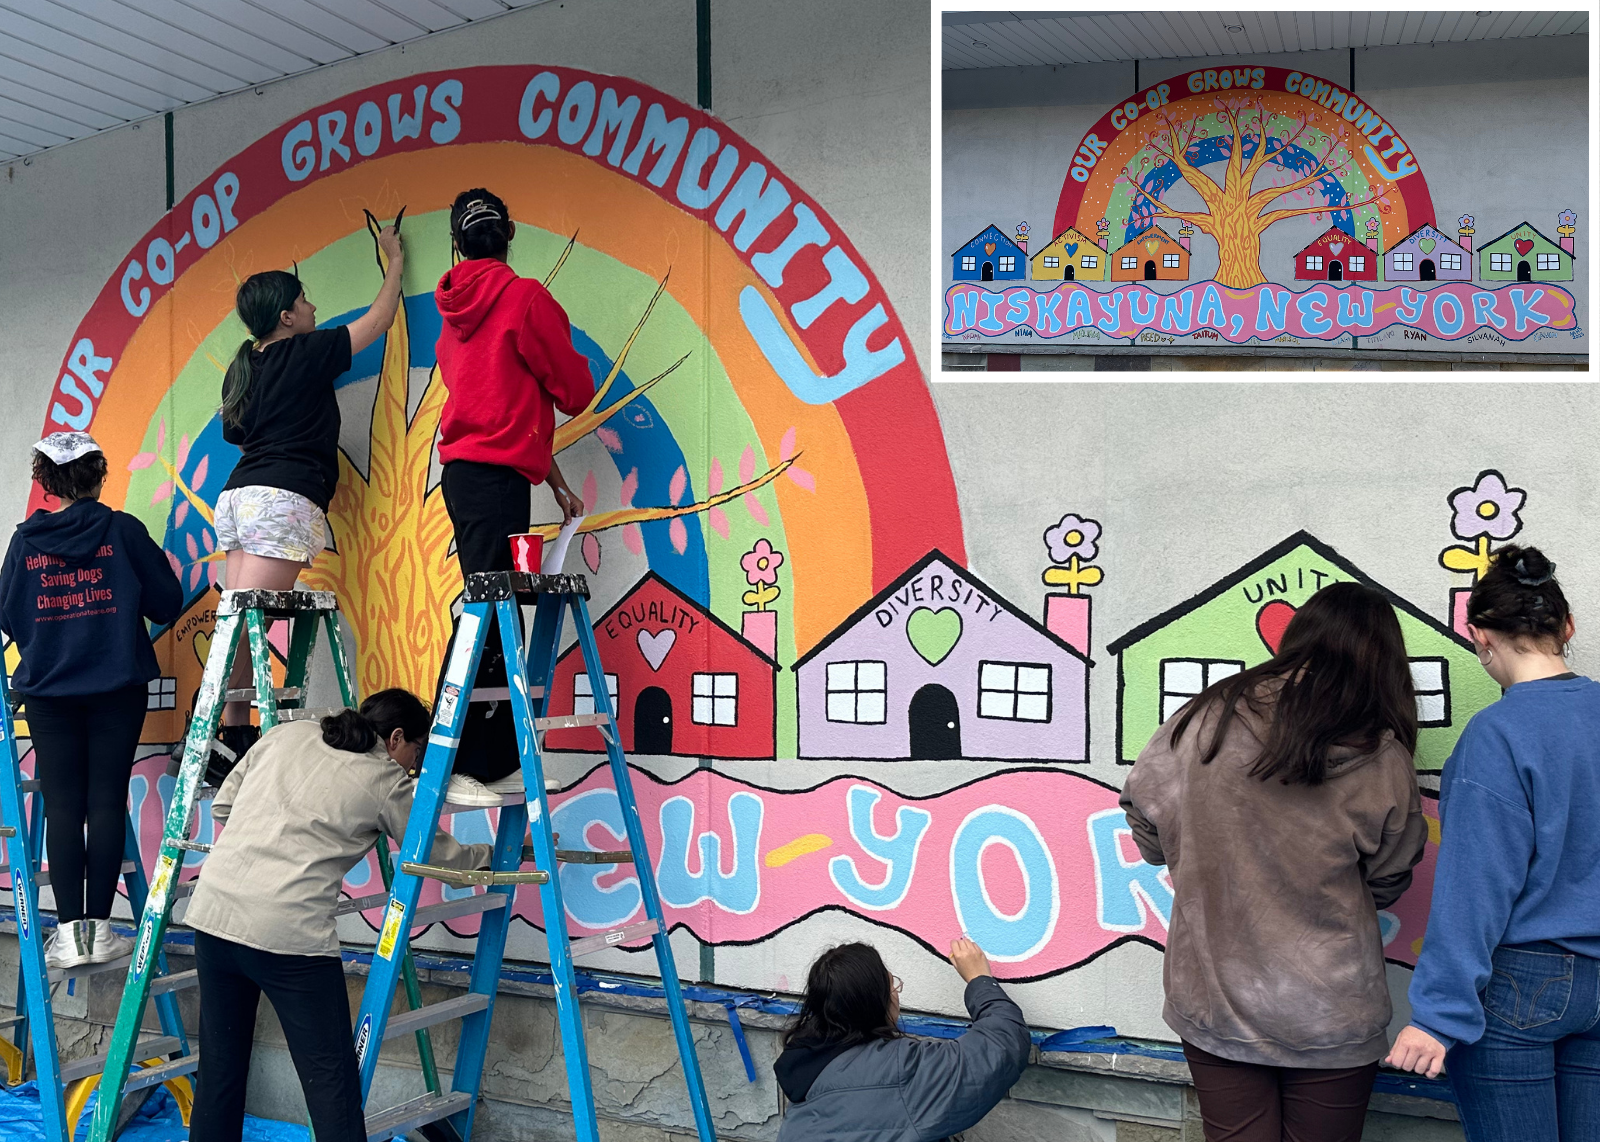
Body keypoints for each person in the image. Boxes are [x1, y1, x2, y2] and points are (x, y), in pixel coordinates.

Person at [1120, 581, 1428, 1142]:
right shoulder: (1382, 754)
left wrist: (1193, 860)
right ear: (1385, 660)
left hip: (1214, 995)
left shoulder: (1208, 716)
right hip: (1332, 1009)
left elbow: (1141, 806)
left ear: (1298, 637)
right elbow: (1390, 876)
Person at [183, 688, 491, 1142]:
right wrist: (489, 855)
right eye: (415, 754)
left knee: (219, 1075)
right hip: (287, 935)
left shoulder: (288, 735)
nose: (414, 766)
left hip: (214, 916)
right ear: (396, 738)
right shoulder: (386, 779)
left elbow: (224, 806)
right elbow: (438, 857)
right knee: (331, 1087)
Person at [1387, 545, 1599, 1140]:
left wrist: (1437, 1015)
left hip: (1521, 987)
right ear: (1568, 628)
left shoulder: (1497, 735)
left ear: (1478, 636)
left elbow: (1475, 887)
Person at [208, 228, 404, 779]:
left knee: (239, 621)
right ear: (288, 317)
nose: (313, 305)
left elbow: (234, 431)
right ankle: (231, 737)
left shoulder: (243, 366)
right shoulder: (308, 351)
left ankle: (231, 733)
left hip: (240, 499)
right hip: (282, 499)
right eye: (304, 300)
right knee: (247, 622)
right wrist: (394, 261)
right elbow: (379, 321)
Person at [432, 188, 595, 807]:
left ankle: (481, 758)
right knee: (492, 610)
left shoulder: (453, 315)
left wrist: (551, 478)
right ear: (510, 234)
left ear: (457, 242)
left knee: (492, 604)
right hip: (493, 482)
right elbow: (573, 391)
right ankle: (468, 761)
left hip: (475, 475)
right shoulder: (524, 298)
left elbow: (494, 413)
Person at [0, 432, 183, 969]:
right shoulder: (123, 531)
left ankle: (69, 934)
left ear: (47, 483)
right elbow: (168, 602)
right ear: (99, 476)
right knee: (105, 800)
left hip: (49, 693)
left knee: (61, 806)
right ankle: (100, 931)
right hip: (116, 690)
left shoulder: (25, 543)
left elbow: (7, 615)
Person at [773, 937, 1030, 1140]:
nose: (896, 993)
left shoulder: (806, 1061)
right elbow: (1003, 1044)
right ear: (872, 1003)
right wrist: (979, 979)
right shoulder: (896, 1071)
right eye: (890, 985)